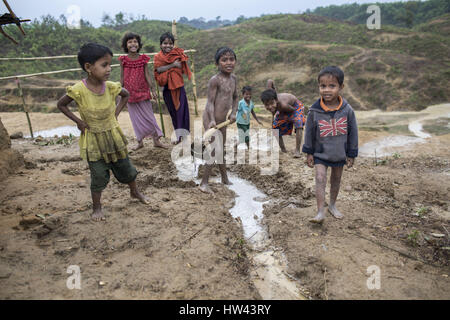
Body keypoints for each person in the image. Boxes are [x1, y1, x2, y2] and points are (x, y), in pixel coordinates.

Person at [57, 43, 148, 222]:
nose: (109, 69)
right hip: (93, 140)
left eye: (110, 64)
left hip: (113, 137)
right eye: (104, 65)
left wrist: (116, 113)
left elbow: (126, 95)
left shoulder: (111, 87)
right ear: (89, 67)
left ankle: (134, 192)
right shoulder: (79, 90)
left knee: (126, 168)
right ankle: (97, 207)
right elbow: (61, 104)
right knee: (98, 174)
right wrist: (79, 122)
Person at [302, 66, 358, 224]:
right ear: (318, 86)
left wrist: (351, 154)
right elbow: (309, 132)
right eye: (323, 86)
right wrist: (309, 152)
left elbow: (353, 133)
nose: (327, 90)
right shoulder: (314, 110)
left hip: (339, 153)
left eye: (332, 86)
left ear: (341, 87)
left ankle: (332, 205)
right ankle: (320, 211)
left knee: (336, 179)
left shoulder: (347, 111)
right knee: (320, 177)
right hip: (320, 153)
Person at [199, 47, 238, 194]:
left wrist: (233, 112)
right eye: (224, 60)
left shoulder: (234, 79)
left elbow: (235, 97)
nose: (228, 63)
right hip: (211, 120)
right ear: (217, 63)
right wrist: (212, 121)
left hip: (223, 122)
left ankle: (224, 178)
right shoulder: (215, 80)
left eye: (231, 59)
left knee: (221, 150)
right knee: (216, 150)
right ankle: (203, 183)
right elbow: (210, 102)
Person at [119, 32, 167, 150]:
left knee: (149, 116)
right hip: (129, 93)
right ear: (126, 45)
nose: (133, 44)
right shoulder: (123, 60)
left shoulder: (143, 59)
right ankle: (140, 142)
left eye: (135, 41)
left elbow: (147, 74)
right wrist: (120, 91)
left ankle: (156, 140)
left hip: (143, 91)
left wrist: (152, 89)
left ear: (139, 44)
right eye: (130, 42)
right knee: (135, 118)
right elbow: (122, 76)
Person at [153, 32, 191, 144]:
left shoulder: (177, 54)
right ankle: (178, 136)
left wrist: (167, 68)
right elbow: (158, 70)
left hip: (179, 89)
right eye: (165, 43)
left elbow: (180, 68)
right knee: (173, 114)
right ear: (160, 45)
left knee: (182, 113)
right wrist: (172, 66)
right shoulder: (158, 57)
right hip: (167, 90)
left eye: (170, 43)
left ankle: (183, 137)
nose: (168, 46)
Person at [260, 79, 305, 158]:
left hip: (294, 106)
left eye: (271, 103)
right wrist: (274, 90)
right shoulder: (269, 94)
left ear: (276, 100)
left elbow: (293, 111)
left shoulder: (283, 105)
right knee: (275, 128)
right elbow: (270, 81)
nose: (270, 106)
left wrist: (288, 120)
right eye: (267, 105)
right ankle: (283, 150)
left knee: (298, 122)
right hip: (281, 109)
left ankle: (297, 150)